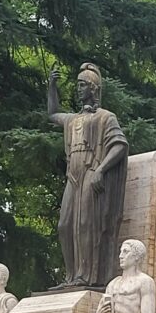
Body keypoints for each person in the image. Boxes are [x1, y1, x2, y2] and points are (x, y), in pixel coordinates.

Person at [48, 62, 128, 288]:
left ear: (93, 88)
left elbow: (119, 145)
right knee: (64, 224)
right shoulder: (72, 120)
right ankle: (70, 276)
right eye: (77, 85)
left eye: (82, 84)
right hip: (73, 176)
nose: (78, 88)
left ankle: (86, 275)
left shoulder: (105, 117)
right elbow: (52, 113)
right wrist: (52, 86)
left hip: (90, 172)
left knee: (85, 223)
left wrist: (101, 170)